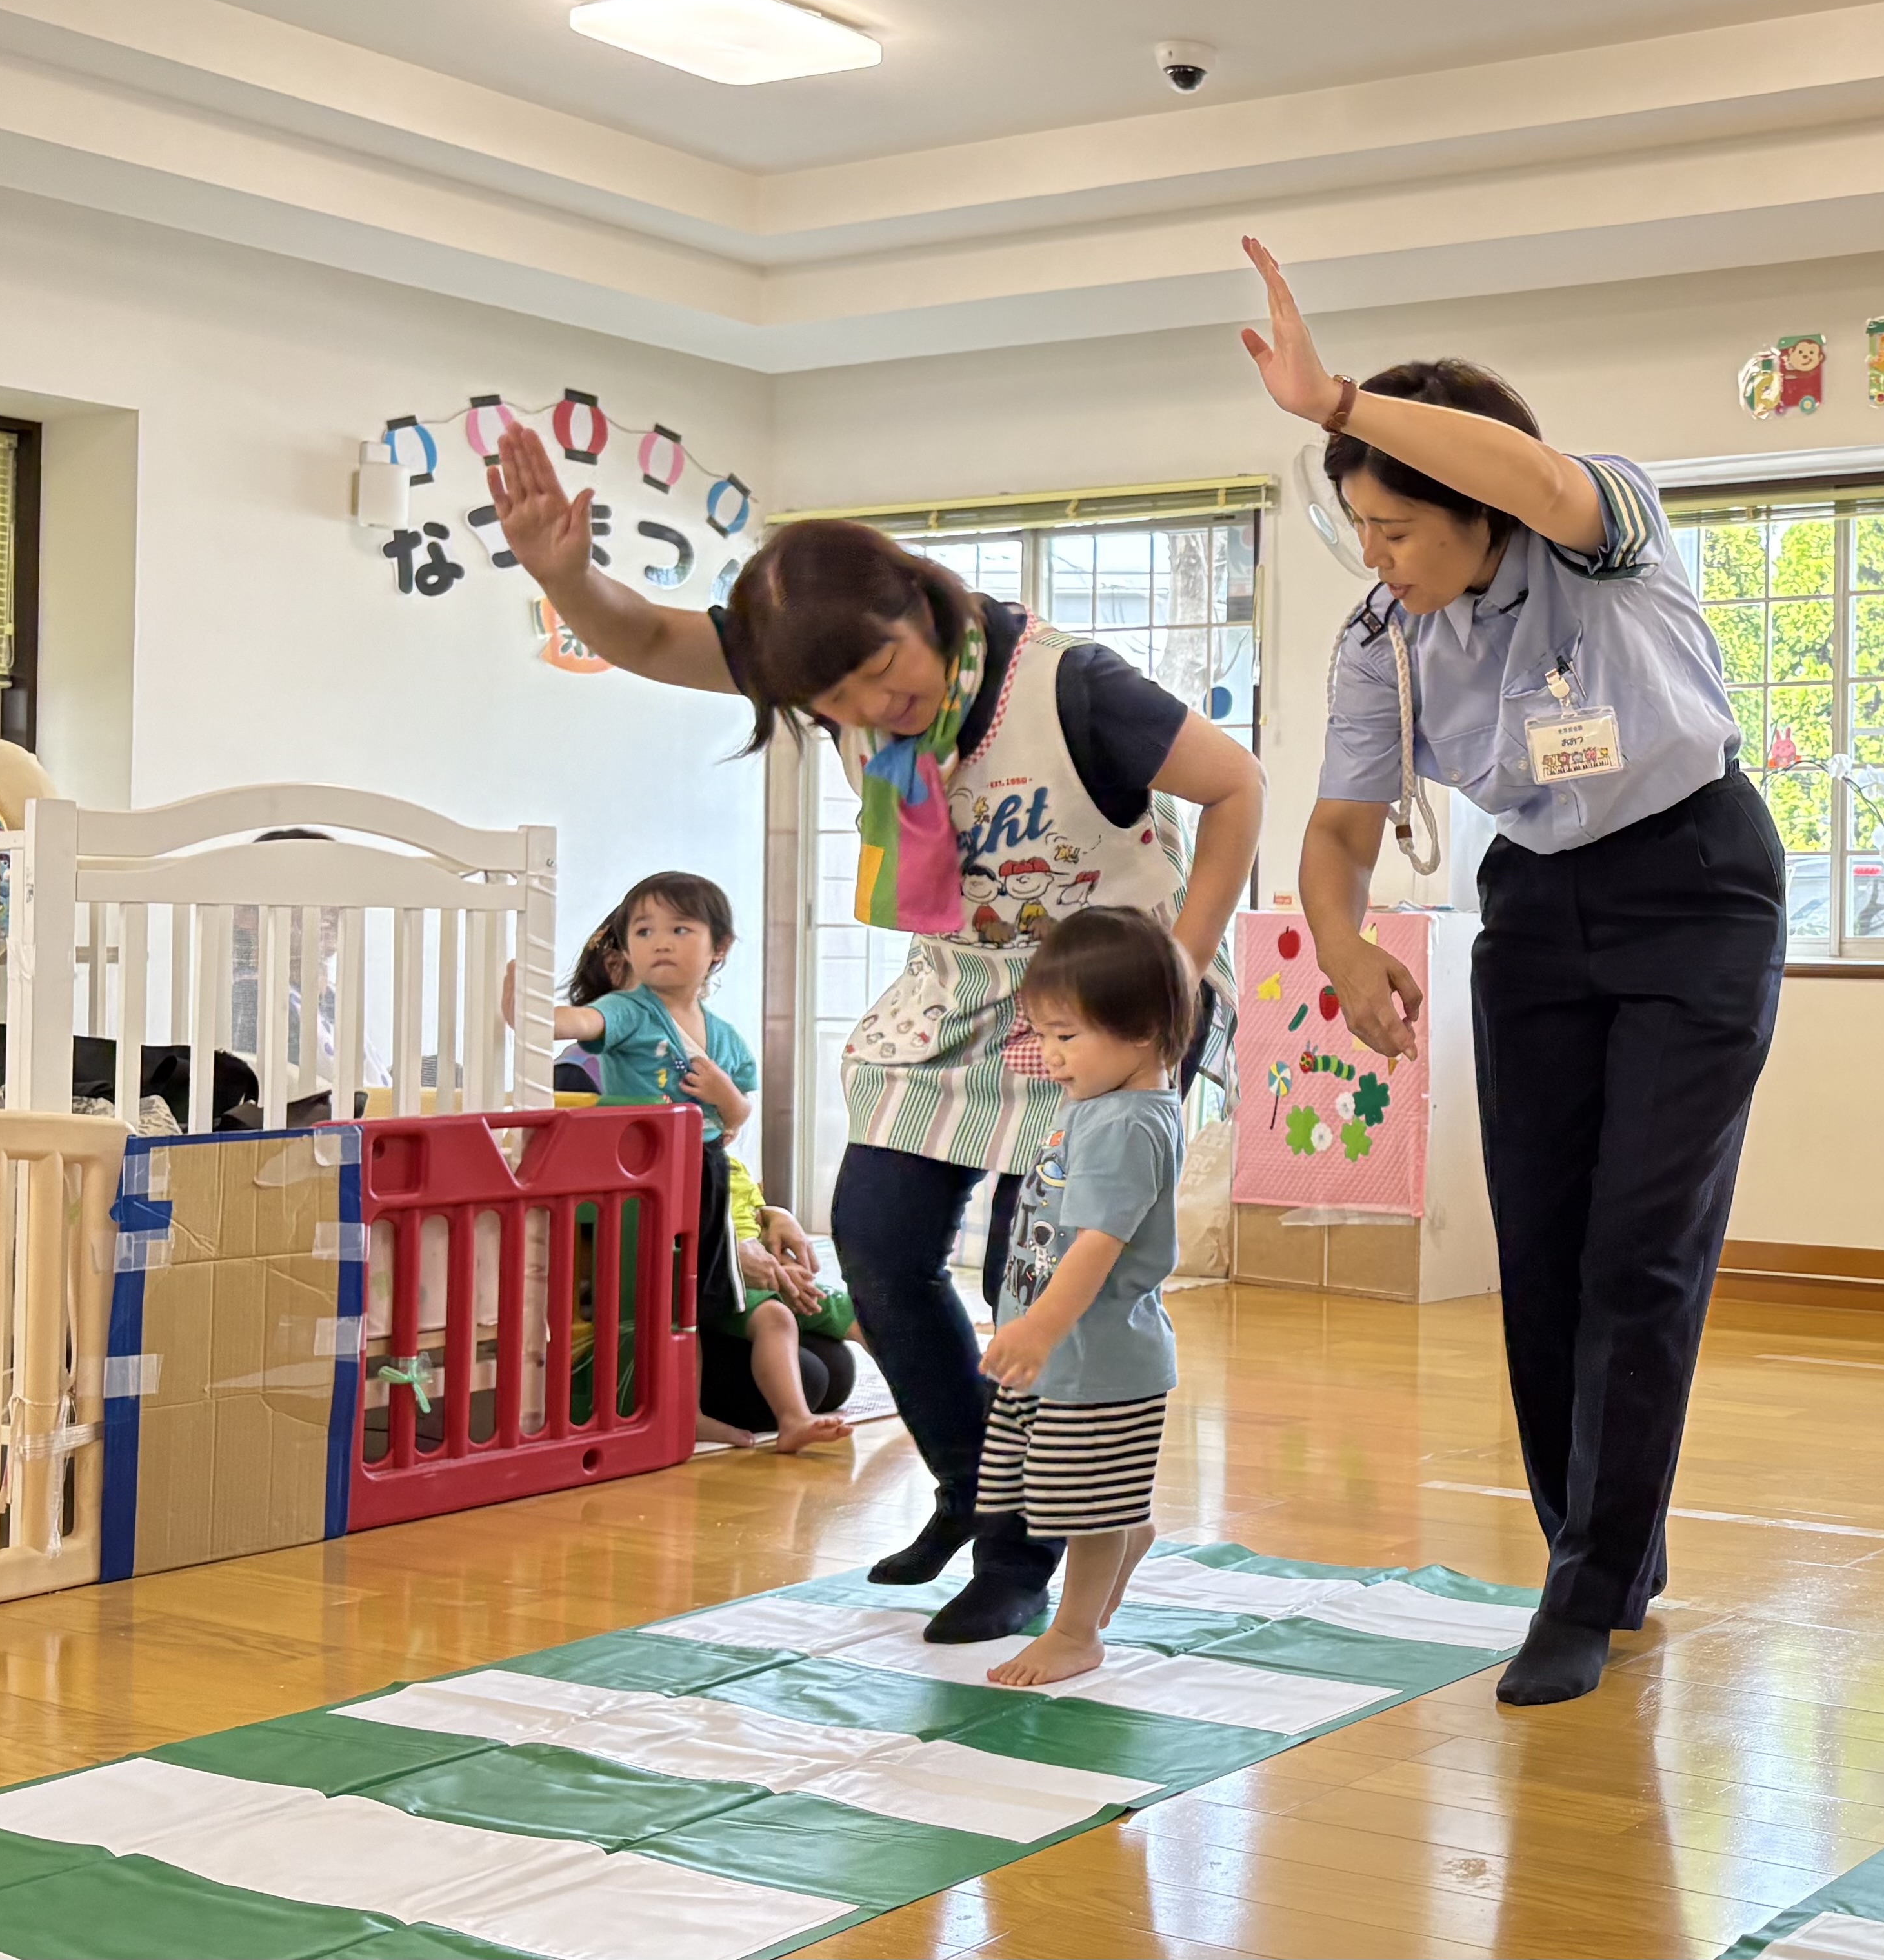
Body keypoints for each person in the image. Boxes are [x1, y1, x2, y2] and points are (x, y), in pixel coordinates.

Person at [485, 422, 1263, 1645]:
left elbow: (1234, 785)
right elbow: (647, 637)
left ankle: (1019, 1552)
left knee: (1034, 1275)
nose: (868, 706)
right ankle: (968, 1484)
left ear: (919, 598)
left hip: (1107, 992)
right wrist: (563, 574)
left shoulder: (1071, 685)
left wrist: (1182, 964)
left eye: (880, 669)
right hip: (961, 986)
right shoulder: (828, 674)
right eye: (833, 700)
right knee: (881, 1240)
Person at [1239, 238, 1785, 1706]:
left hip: (1696, 881)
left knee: (1641, 1247)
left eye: (1398, 528)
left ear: (1475, 507)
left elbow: (1542, 479)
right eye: (1359, 529)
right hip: (1538, 901)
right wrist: (1342, 942)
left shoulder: (1601, 532)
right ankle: (1596, 1554)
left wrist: (1338, 398)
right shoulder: (1383, 639)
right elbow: (1340, 829)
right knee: (1541, 1250)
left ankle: (1583, 1587)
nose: (1377, 557)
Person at [523, 872, 839, 1454]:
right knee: (672, 1300)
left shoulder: (722, 1035)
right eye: (644, 932)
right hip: (648, 1176)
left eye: (679, 929)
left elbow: (737, 1116)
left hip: (705, 1171)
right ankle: (684, 1412)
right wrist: (527, 1009)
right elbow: (579, 1021)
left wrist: (723, 1093)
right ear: (624, 952)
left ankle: (779, 1419)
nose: (660, 942)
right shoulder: (629, 1011)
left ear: (719, 947)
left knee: (700, 1302)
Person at [974, 910, 1196, 1688]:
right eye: (1043, 1033)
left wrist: (1038, 1327)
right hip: (1063, 1354)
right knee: (1071, 1491)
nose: (1050, 1054)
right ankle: (1128, 1534)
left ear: (1143, 1031)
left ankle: (1076, 1634)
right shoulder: (1102, 1105)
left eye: (1067, 1035)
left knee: (1084, 1510)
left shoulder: (1126, 1125)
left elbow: (1098, 1244)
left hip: (1094, 1360)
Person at [703, 1158, 864, 1448]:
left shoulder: (731, 1167)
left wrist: (779, 1247)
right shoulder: (685, 1169)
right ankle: (795, 1419)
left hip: (755, 1275)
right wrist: (739, 1263)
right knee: (776, 1318)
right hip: (717, 1287)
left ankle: (910, 1388)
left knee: (841, 1310)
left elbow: (751, 1223)